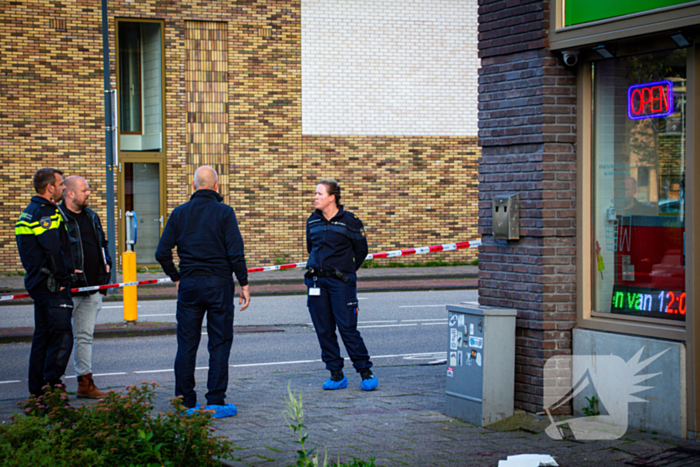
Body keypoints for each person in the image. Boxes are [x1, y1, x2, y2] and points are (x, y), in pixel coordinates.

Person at [156, 166, 250, 418]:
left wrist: (176, 278)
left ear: (195, 186)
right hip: (218, 284)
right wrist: (244, 283)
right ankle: (216, 401)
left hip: (189, 285)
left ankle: (185, 402)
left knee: (186, 343)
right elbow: (235, 252)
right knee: (219, 342)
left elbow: (161, 252)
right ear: (217, 186)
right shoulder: (224, 213)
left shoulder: (180, 213)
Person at [304, 179, 378, 391]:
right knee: (324, 329)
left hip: (341, 283)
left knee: (347, 328)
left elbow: (361, 251)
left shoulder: (350, 221)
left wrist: (345, 270)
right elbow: (312, 248)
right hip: (317, 282)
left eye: (319, 193)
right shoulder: (312, 221)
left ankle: (365, 372)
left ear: (331, 197)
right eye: (315, 193)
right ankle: (336, 375)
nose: (315, 197)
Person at [15, 168, 75, 397]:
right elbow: (52, 248)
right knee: (61, 337)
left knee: (42, 337)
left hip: (38, 282)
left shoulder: (29, 212)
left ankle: (37, 393)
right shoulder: (45, 213)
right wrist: (62, 277)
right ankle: (51, 389)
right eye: (61, 185)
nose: (63, 188)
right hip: (51, 285)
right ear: (50, 188)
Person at [58, 176, 112, 399]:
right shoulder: (57, 217)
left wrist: (106, 263)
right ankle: (54, 384)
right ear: (70, 193)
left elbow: (102, 243)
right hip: (67, 289)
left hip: (92, 287)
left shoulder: (91, 216)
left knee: (84, 337)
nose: (88, 193)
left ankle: (85, 383)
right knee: (60, 337)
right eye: (84, 190)